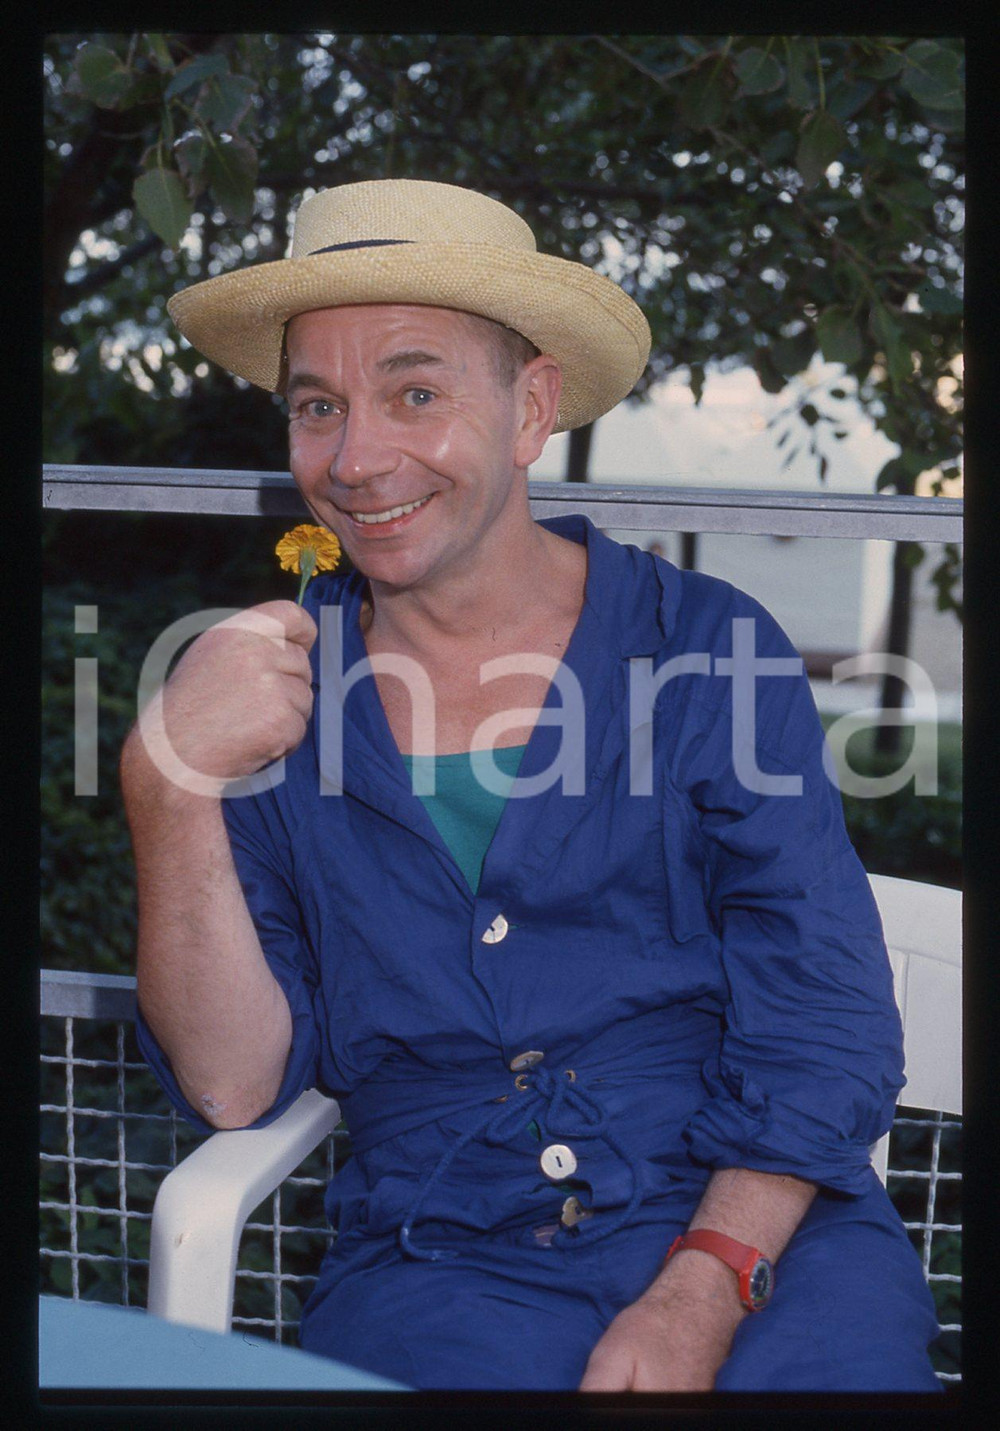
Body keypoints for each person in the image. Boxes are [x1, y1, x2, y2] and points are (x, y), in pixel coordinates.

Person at [122, 178, 943, 1392]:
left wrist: (705, 1282)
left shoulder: (701, 649)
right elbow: (235, 1082)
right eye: (316, 406)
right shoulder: (261, 694)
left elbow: (821, 1014)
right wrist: (167, 778)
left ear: (530, 407)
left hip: (756, 1227)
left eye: (415, 392)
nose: (356, 459)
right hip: (440, 1258)